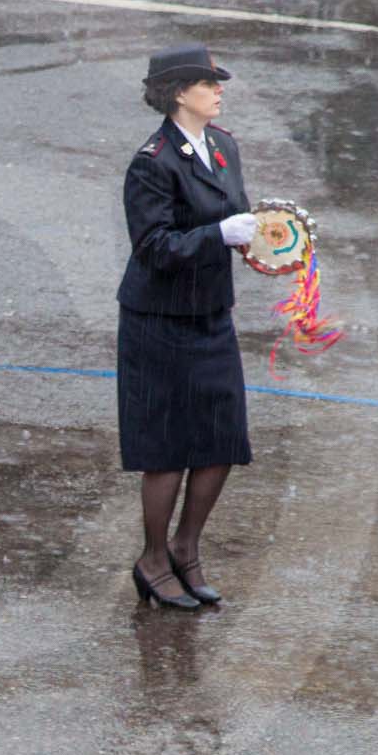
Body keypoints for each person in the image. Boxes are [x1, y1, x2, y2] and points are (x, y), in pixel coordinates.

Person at [117, 45, 259, 609]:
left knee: (222, 439)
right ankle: (153, 558)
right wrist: (218, 235)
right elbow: (152, 247)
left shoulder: (224, 145)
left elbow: (239, 217)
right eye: (207, 82)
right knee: (167, 447)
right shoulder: (152, 161)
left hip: (210, 312)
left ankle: (186, 548)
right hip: (159, 320)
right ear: (179, 92)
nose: (219, 89)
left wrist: (266, 244)